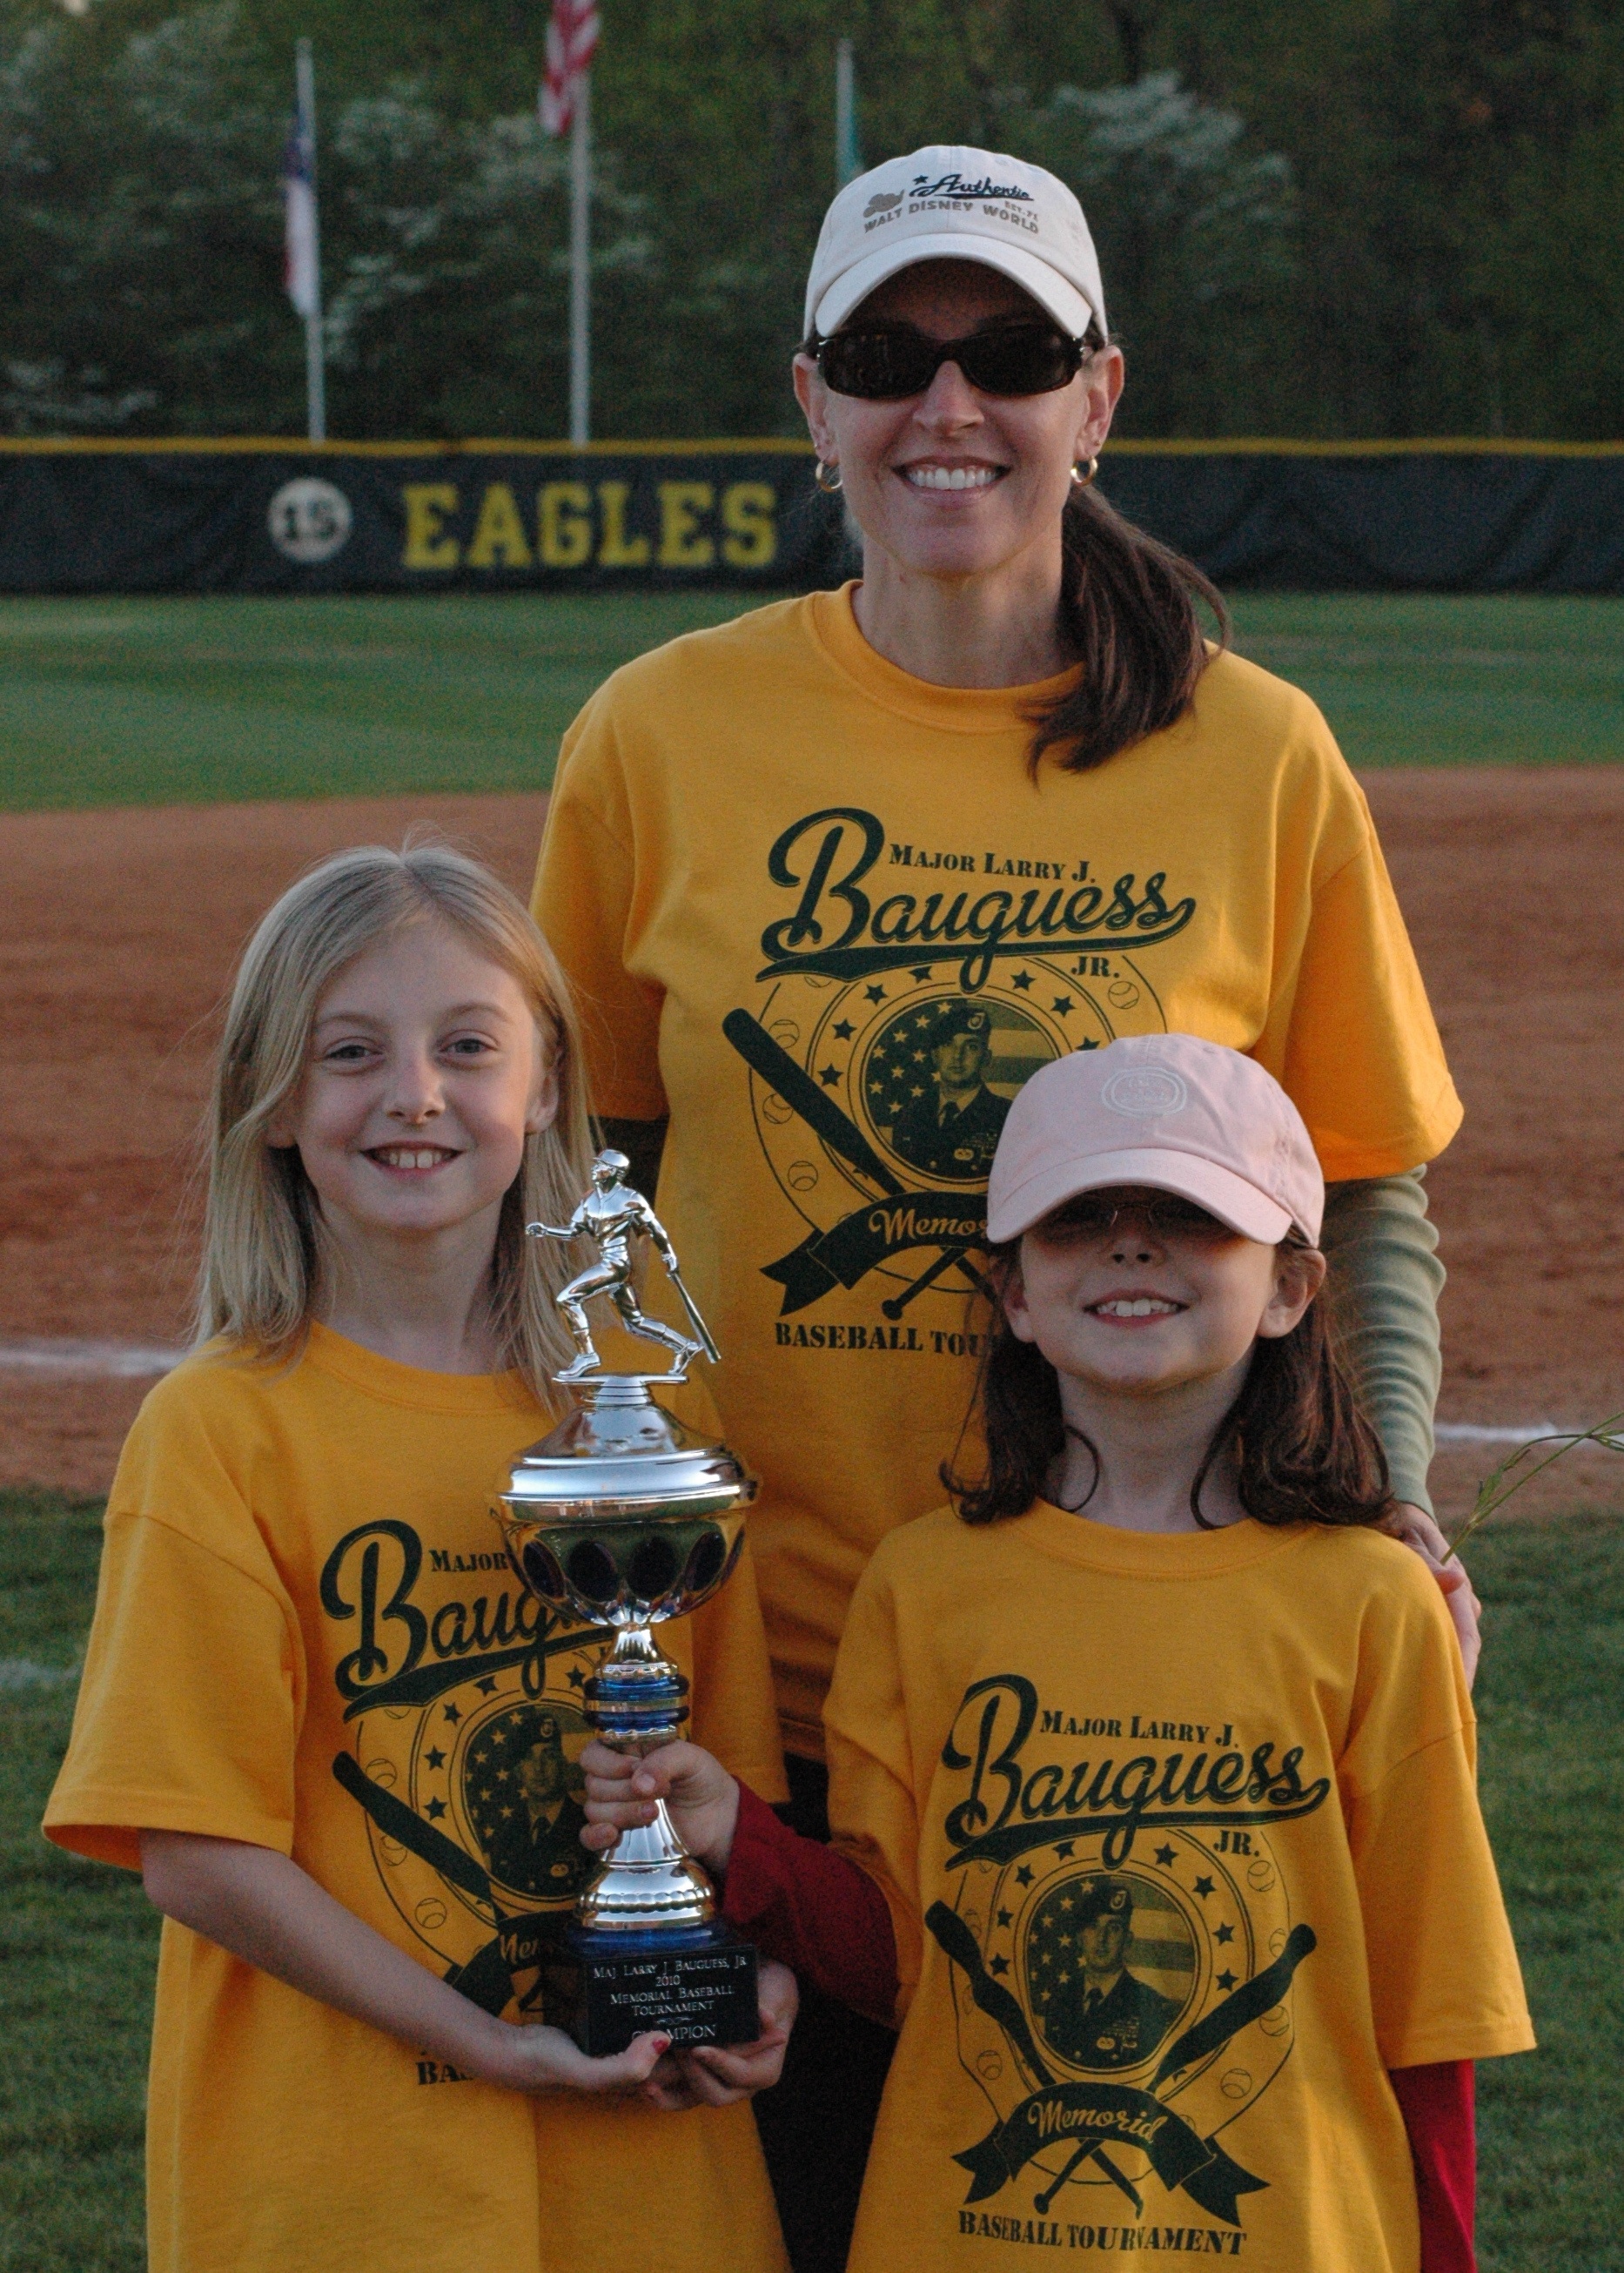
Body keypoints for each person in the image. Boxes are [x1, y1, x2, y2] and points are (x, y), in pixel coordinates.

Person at [531, 142, 1480, 2267]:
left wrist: (1387, 1493)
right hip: (755, 1699)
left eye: (1006, 354)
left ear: (1097, 395)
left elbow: (1362, 1178)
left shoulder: (1253, 753)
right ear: (810, 399)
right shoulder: (657, 737)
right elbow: (571, 1186)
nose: (942, 406)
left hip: (1136, 1680)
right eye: (886, 354)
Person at [582, 1036, 1533, 2273]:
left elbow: (1430, 2013)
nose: (1130, 1244)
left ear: (1294, 1282)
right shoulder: (926, 1587)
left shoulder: (1368, 1602)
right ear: (1015, 1292)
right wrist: (732, 1831)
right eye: (1077, 1217)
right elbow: (892, 1957)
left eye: (1189, 1215)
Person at [42, 843, 795, 2273]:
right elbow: (199, 1851)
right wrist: (492, 2047)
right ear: (270, 1100)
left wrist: (746, 1981)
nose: (414, 1095)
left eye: (467, 1046)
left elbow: (721, 1795)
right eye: (349, 1052)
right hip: (346, 2185)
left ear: (550, 1087)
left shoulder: (636, 1423)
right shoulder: (223, 1426)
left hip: (645, 2176)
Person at [888, 1001, 1010, 1180]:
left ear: (986, 1058)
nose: (957, 1056)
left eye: (971, 1047)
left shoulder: (1007, 1116)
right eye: (948, 1045)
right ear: (935, 1056)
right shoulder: (910, 1114)